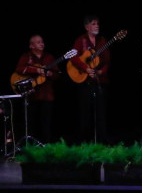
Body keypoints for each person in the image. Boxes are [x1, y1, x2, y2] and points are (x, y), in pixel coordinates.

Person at [68, 14, 114, 144]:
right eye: (93, 24)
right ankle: (84, 142)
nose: (97, 26)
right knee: (85, 113)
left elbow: (107, 61)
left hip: (100, 81)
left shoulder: (102, 40)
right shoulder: (80, 40)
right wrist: (86, 68)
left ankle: (102, 141)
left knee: (101, 112)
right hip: (84, 82)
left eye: (97, 23)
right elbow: (73, 57)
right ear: (87, 27)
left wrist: (100, 72)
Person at [13, 34, 62, 143]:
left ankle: (46, 146)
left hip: (47, 95)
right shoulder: (26, 56)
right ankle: (31, 147)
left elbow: (57, 75)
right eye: (38, 42)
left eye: (42, 42)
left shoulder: (49, 57)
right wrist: (36, 70)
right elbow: (19, 69)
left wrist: (50, 74)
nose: (42, 44)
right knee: (31, 124)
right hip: (31, 95)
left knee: (46, 124)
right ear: (31, 46)